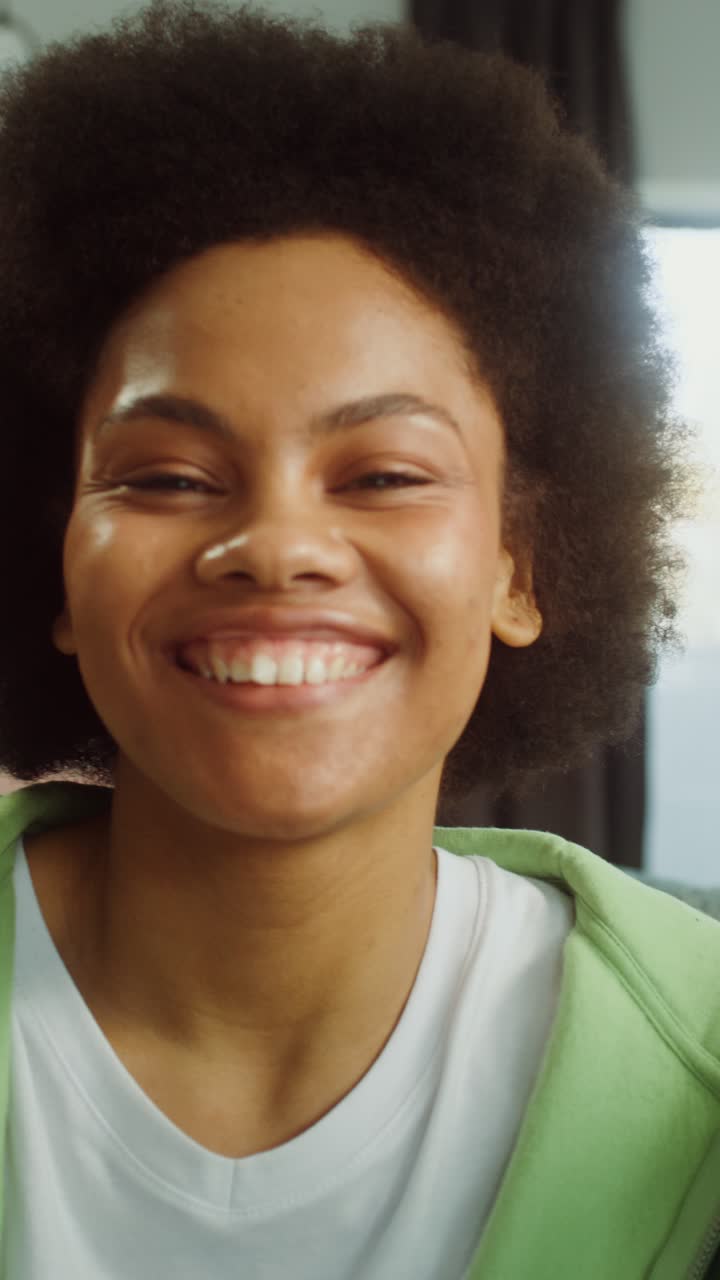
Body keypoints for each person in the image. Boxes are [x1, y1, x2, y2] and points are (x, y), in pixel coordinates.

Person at [0, 2, 717, 1276]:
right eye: (164, 476)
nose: (276, 546)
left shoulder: (700, 1069)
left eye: (384, 473)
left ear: (521, 566)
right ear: (50, 558)